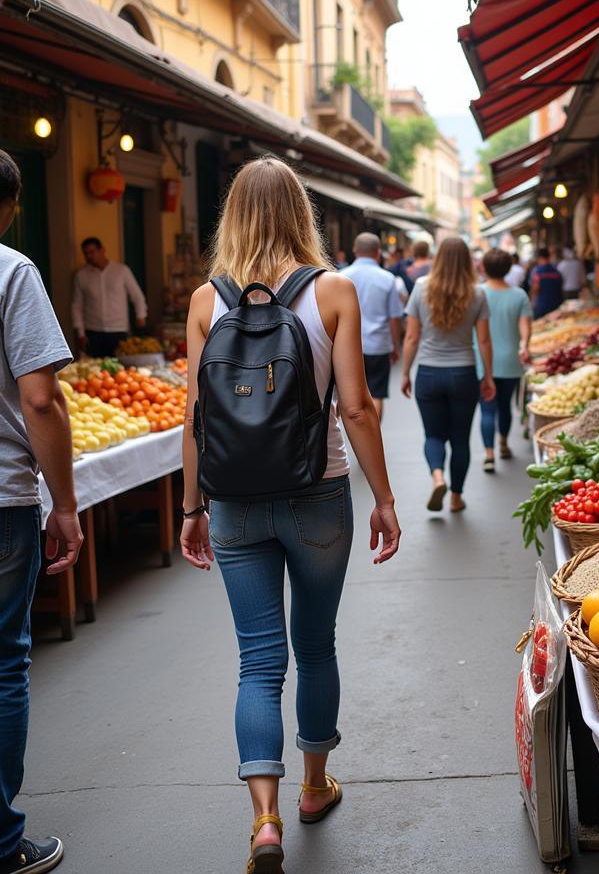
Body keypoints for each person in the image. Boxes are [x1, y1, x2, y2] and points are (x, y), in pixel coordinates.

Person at [178, 156, 401, 874]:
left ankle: (265, 821)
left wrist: (191, 507)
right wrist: (386, 500)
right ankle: (312, 789)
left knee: (258, 661)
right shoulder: (331, 290)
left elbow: (196, 421)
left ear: (232, 216)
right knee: (315, 645)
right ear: (302, 212)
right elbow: (358, 407)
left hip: (235, 505)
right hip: (319, 495)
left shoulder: (205, 302)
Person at [0, 150, 82, 874]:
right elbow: (40, 397)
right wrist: (64, 502)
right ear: (11, 205)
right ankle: (1, 842)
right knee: (2, 662)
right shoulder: (12, 270)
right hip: (0, 498)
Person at [400, 238, 495, 512]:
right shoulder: (477, 293)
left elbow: (411, 338)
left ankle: (437, 477)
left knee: (433, 436)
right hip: (464, 373)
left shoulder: (421, 288)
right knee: (460, 439)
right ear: (467, 260)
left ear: (437, 257)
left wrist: (406, 373)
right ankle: (455, 497)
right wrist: (487, 376)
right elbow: (485, 341)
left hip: (429, 374)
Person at [477, 249, 531, 472]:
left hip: (482, 360)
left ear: (484, 267)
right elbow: (525, 326)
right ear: (509, 268)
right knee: (505, 406)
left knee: (487, 409)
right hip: (510, 360)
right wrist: (525, 344)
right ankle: (503, 443)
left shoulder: (477, 293)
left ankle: (489, 454)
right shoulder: (519, 295)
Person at [340, 232, 405, 417]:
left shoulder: (341, 276)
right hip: (378, 345)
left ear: (355, 250)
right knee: (376, 393)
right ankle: (373, 436)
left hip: (347, 346)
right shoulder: (387, 278)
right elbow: (394, 317)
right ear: (378, 252)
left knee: (347, 396)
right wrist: (395, 346)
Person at [70, 237, 147, 358]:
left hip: (119, 330)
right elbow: (77, 306)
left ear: (102, 250)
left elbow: (137, 296)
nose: (89, 256)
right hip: (93, 331)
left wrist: (140, 316)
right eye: (86, 253)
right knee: (95, 370)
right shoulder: (81, 276)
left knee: (121, 369)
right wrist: (80, 332)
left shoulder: (121, 271)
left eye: (92, 252)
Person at [530, 247, 564, 319]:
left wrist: (533, 303)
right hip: (556, 306)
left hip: (541, 307)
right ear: (549, 256)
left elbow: (535, 289)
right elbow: (561, 287)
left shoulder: (537, 272)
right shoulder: (556, 272)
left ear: (539, 257)